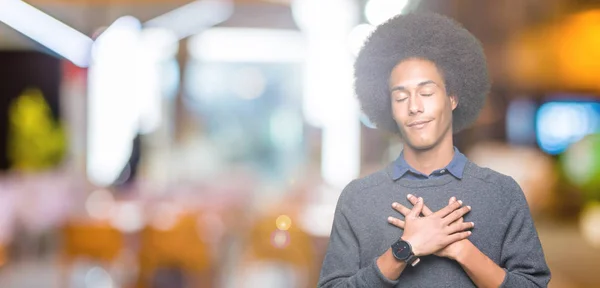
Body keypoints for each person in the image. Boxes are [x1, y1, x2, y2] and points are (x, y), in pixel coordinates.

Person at [318, 12, 551, 288]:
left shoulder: (502, 193)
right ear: (390, 109)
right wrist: (404, 249)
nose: (414, 106)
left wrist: (460, 249)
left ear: (452, 97)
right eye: (401, 96)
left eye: (426, 93)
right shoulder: (357, 199)